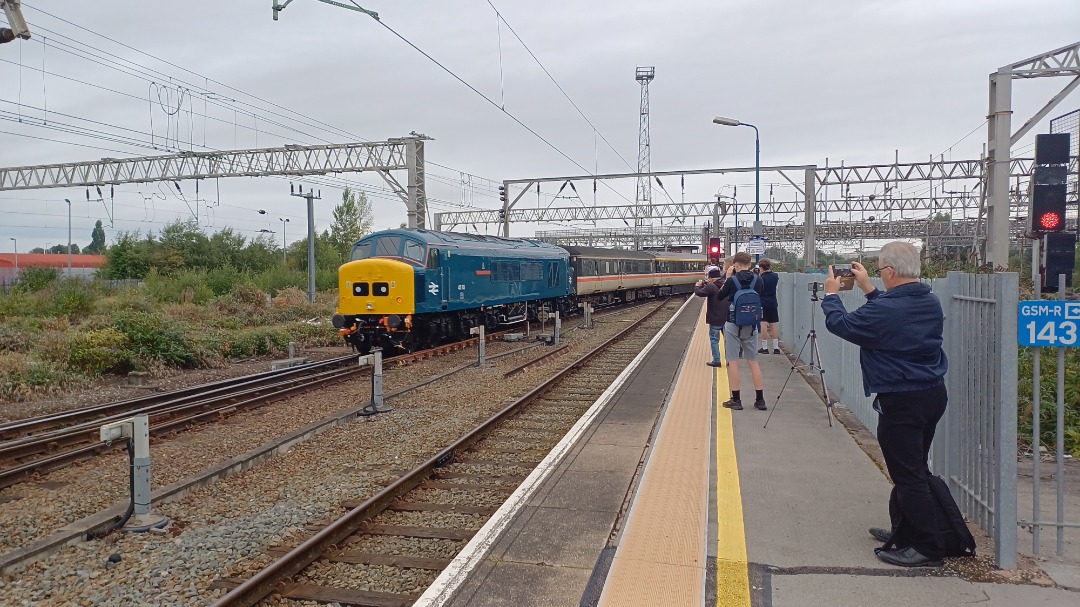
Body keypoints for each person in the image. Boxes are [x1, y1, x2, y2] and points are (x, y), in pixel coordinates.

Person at [820, 242, 949, 568]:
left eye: (878, 270)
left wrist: (832, 296)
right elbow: (891, 314)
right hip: (931, 394)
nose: (878, 274)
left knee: (908, 474)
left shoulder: (888, 309)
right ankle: (903, 529)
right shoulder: (928, 299)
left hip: (902, 400)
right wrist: (868, 288)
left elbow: (841, 325)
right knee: (913, 467)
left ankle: (927, 548)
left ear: (890, 272)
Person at [713, 252, 766, 411]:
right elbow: (760, 297)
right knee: (753, 362)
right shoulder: (758, 280)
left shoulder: (732, 281)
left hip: (733, 323)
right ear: (749, 264)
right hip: (751, 325)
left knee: (733, 361)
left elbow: (720, 296)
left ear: (735, 266)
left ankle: (736, 400)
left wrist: (728, 277)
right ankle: (760, 400)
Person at [694, 267, 727, 368]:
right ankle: (730, 359)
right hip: (726, 317)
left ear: (712, 278)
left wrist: (697, 286)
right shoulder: (726, 284)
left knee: (714, 340)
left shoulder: (711, 286)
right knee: (728, 340)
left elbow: (699, 293)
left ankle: (717, 360)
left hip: (715, 318)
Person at [757, 259, 781, 354]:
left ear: (761, 268)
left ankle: (765, 347)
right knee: (773, 324)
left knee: (763, 324)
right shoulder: (775, 276)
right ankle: (776, 348)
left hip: (763, 303)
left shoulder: (760, 278)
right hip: (773, 302)